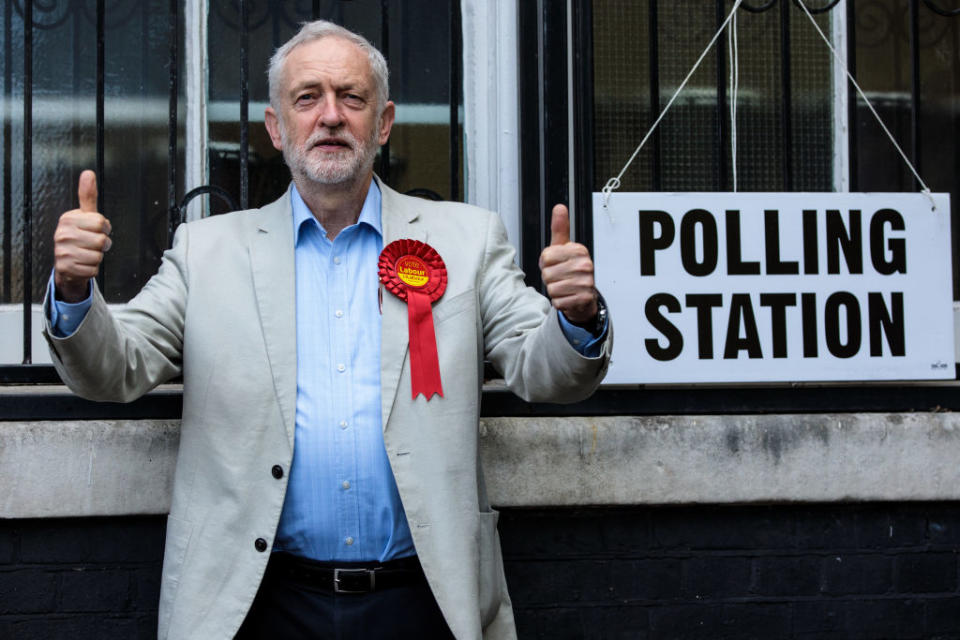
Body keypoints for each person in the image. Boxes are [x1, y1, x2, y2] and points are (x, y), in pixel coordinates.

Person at [44, 20, 611, 640]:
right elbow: (115, 369)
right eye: (307, 97)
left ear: (384, 121)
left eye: (352, 97)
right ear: (276, 127)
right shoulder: (205, 252)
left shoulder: (467, 240)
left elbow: (543, 372)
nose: (331, 115)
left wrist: (575, 317)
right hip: (256, 604)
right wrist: (75, 291)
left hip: (425, 600)